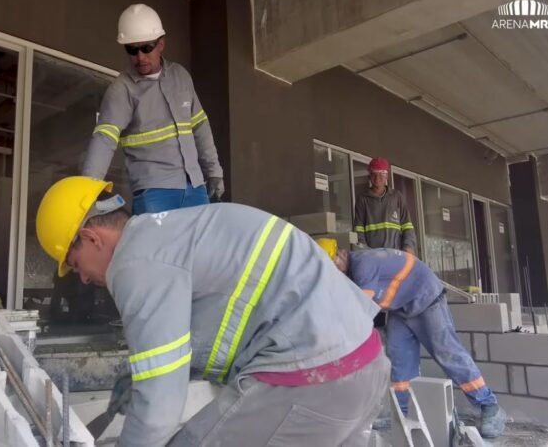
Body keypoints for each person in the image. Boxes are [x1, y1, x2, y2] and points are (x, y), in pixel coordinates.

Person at [36, 176, 389, 447]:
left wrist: (148, 399)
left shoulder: (134, 262)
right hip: (365, 364)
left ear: (92, 237)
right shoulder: (176, 235)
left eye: (75, 262)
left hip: (315, 377)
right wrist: (143, 377)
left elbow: (159, 411)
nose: (82, 277)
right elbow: (225, 316)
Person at [316, 239, 507, 438]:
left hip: (426, 299)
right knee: (399, 360)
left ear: (341, 254)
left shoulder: (364, 263)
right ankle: (403, 413)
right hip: (402, 309)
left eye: (333, 264)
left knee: (448, 353)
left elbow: (360, 308)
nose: (334, 271)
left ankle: (489, 406)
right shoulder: (352, 274)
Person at [81, 4, 224, 215]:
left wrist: (214, 171)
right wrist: (86, 192)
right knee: (159, 249)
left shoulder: (181, 77)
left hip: (195, 187)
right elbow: (104, 138)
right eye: (132, 49)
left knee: (199, 249)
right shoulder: (122, 90)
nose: (140, 57)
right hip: (154, 192)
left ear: (161, 44)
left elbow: (200, 127)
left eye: (146, 48)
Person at [353, 157, 416, 254]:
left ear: (387, 176)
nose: (377, 178)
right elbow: (358, 228)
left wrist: (408, 246)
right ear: (369, 176)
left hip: (396, 254)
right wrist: (364, 251)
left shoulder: (397, 197)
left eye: (381, 174)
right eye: (374, 174)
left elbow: (407, 226)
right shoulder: (362, 199)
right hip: (373, 255)